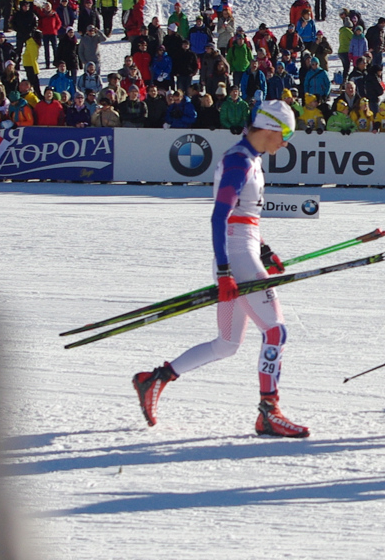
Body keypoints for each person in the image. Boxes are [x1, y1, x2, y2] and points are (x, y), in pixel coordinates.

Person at [131, 100, 309, 437]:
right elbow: (219, 216)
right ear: (270, 128)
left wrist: (265, 251)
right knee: (276, 331)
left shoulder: (249, 159)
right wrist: (228, 271)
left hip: (241, 252)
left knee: (227, 343)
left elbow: (245, 218)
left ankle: (154, 379)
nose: (285, 142)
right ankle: (268, 412)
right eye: (285, 134)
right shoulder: (240, 161)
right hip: (236, 256)